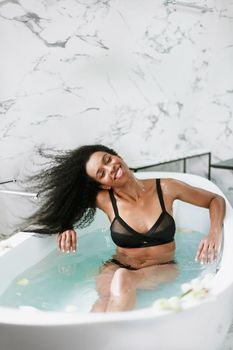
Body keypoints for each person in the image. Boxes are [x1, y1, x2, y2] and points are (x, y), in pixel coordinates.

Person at [25, 144, 226, 312]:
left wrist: (214, 232)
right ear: (102, 185)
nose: (110, 168)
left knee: (122, 280)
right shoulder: (105, 200)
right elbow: (66, 205)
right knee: (107, 298)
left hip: (163, 267)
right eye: (101, 173)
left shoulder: (166, 187)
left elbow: (215, 200)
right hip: (116, 264)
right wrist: (65, 225)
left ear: (116, 156)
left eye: (107, 160)